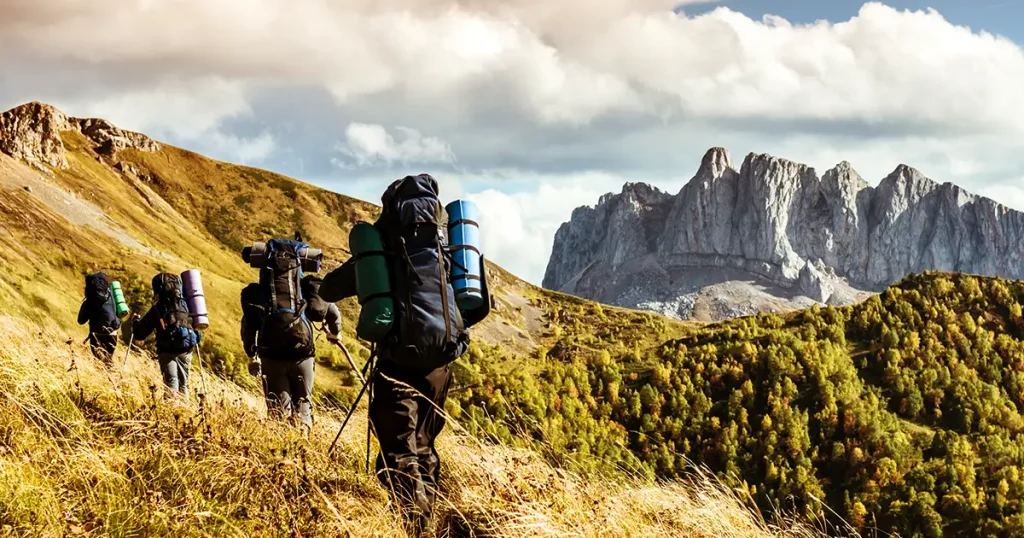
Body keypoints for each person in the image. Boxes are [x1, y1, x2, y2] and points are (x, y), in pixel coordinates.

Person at [320, 174, 490, 536]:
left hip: (397, 364)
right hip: (441, 364)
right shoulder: (448, 248)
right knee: (425, 445)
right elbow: (478, 305)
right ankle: (429, 518)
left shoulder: (383, 247)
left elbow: (331, 290)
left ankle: (416, 527)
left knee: (398, 451)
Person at [239, 262, 320, 430]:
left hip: (272, 358)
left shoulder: (259, 294)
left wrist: (250, 353)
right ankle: (304, 443)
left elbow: (248, 327)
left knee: (278, 408)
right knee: (304, 403)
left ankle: (281, 444)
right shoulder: (304, 288)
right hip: (302, 355)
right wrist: (335, 332)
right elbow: (327, 310)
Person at [132, 273, 201, 399]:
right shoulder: (186, 303)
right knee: (183, 385)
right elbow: (197, 328)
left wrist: (135, 322)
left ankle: (172, 412)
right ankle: (185, 413)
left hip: (167, 349)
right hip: (187, 349)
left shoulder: (158, 308)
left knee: (171, 384)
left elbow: (140, 333)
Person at [77, 272, 121, 366]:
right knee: (108, 361)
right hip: (112, 334)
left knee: (98, 363)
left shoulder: (90, 300)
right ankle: (112, 377)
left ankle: (102, 378)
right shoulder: (111, 295)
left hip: (96, 335)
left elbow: (81, 320)